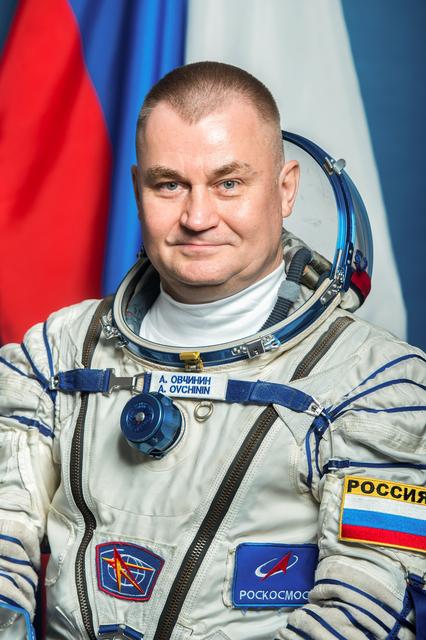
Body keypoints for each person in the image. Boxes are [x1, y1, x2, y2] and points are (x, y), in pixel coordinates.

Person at [0, 61, 425, 640]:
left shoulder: (377, 386)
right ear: (138, 189)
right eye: (169, 184)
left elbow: (367, 605)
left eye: (229, 184)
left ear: (285, 189)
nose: (197, 218)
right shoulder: (55, 355)